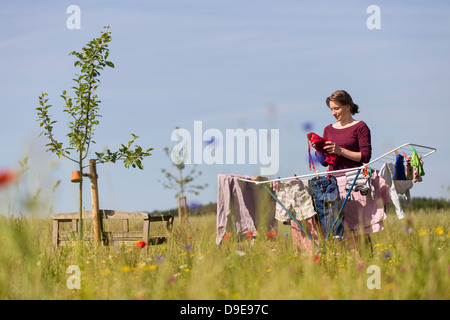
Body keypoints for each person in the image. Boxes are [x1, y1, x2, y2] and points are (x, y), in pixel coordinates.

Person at [311, 90, 374, 253]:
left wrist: (341, 151)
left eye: (337, 108)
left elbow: (365, 156)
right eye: (331, 109)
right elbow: (325, 163)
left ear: (348, 106)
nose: (333, 113)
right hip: (333, 185)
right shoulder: (328, 129)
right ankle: (344, 260)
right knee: (338, 226)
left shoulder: (360, 127)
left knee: (358, 226)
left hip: (355, 183)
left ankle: (366, 257)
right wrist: (318, 151)